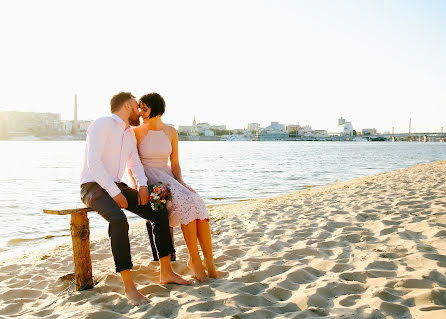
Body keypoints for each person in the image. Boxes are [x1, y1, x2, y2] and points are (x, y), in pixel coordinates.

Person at [80, 92, 191, 306]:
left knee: (157, 210)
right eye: (135, 103)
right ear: (126, 105)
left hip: (115, 184)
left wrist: (141, 185)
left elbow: (135, 164)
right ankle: (129, 288)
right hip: (92, 186)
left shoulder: (129, 133)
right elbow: (93, 163)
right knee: (119, 221)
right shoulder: (102, 124)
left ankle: (166, 272)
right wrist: (115, 193)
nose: (139, 109)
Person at [131, 92, 217, 282]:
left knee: (197, 201)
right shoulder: (136, 132)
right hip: (150, 178)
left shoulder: (171, 132)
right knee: (186, 202)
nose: (140, 113)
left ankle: (209, 262)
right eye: (140, 109)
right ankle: (194, 260)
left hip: (168, 175)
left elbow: (175, 163)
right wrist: (139, 186)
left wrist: (182, 183)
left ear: (156, 109)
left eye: (144, 109)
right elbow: (132, 164)